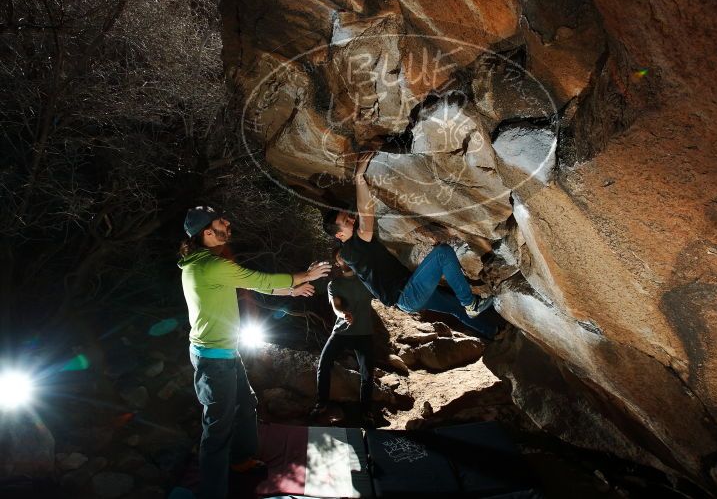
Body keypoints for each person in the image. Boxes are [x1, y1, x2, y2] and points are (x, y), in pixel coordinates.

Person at [178, 205, 331, 499]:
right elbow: (259, 280)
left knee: (246, 404)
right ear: (207, 232)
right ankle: (212, 493)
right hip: (213, 359)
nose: (227, 221)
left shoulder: (202, 262)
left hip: (223, 353)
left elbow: (252, 283)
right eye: (220, 220)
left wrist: (291, 291)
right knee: (217, 429)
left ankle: (240, 460)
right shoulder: (212, 265)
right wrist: (304, 275)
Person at [322, 152, 499, 339]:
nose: (351, 218)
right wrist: (359, 177)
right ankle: (471, 304)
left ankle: (493, 332)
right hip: (406, 295)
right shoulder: (349, 251)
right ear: (339, 234)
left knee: (454, 307)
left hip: (408, 289)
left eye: (348, 215)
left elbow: (364, 219)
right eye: (346, 221)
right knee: (443, 254)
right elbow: (367, 218)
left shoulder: (356, 245)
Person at [311, 247, 377, 426]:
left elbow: (381, 293)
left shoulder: (366, 281)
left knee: (367, 373)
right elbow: (336, 305)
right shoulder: (335, 284)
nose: (344, 260)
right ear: (337, 263)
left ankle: (366, 411)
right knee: (324, 364)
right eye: (340, 258)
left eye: (346, 255)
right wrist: (343, 314)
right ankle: (322, 403)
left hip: (364, 332)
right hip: (341, 332)